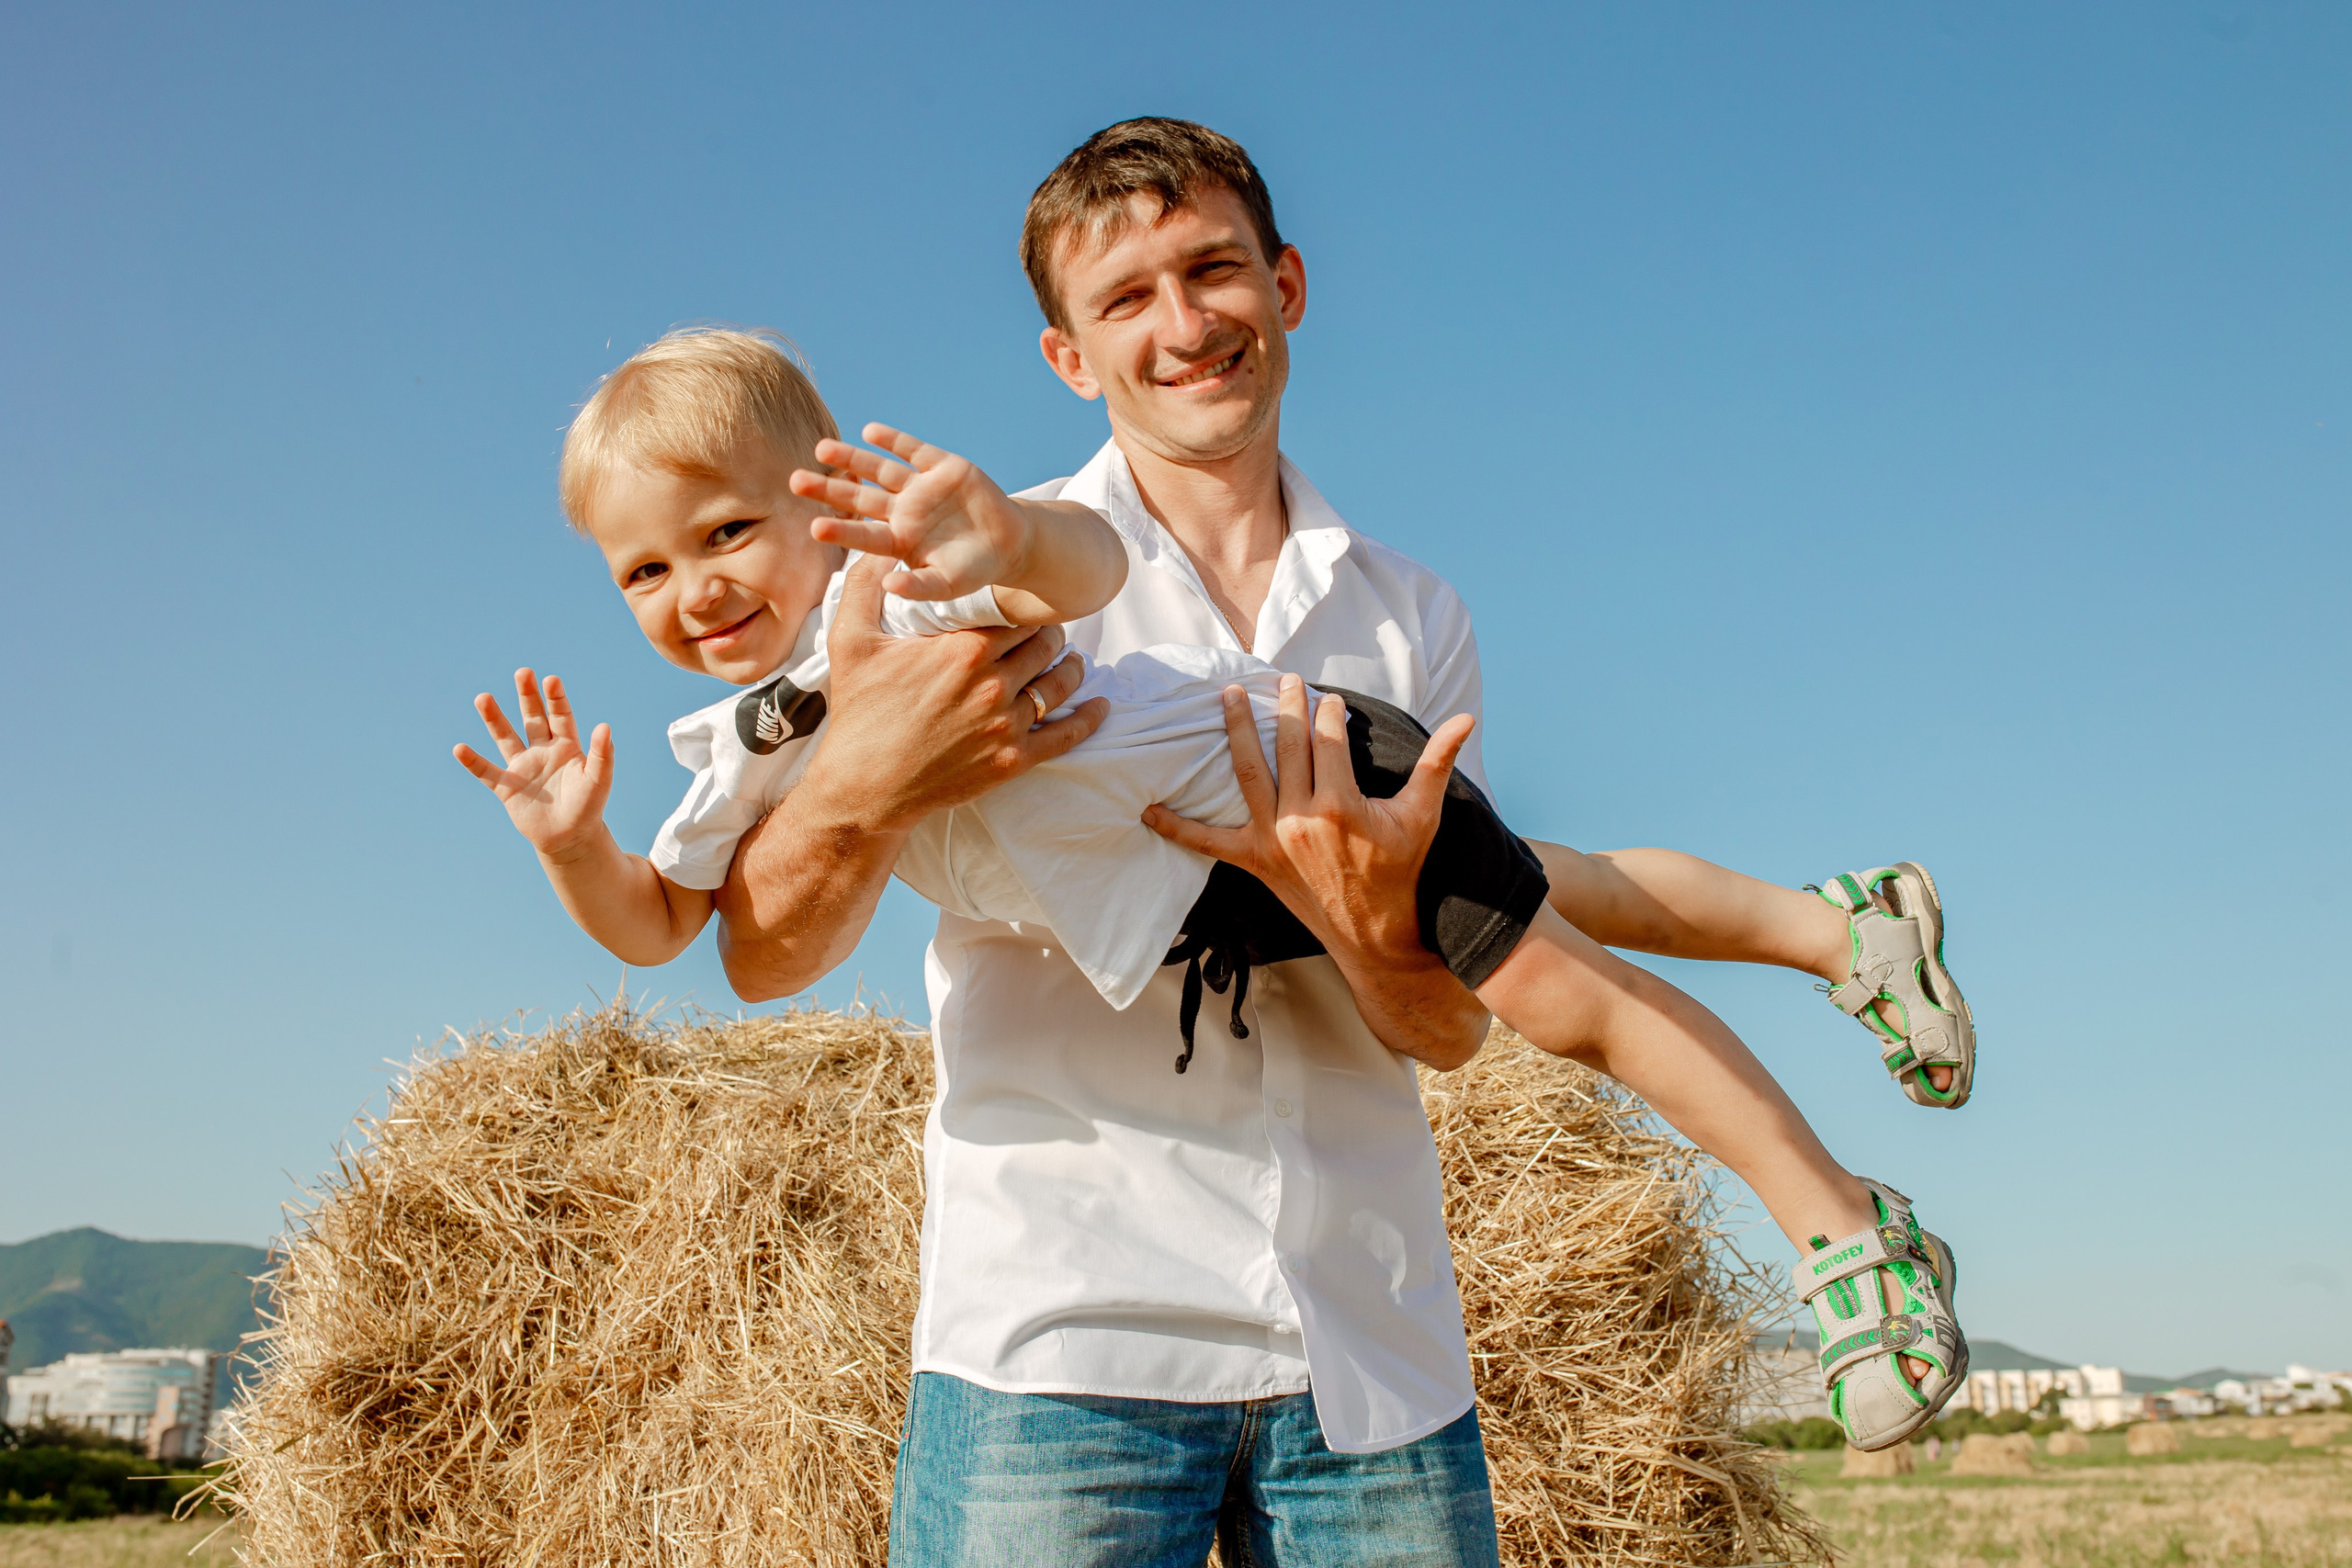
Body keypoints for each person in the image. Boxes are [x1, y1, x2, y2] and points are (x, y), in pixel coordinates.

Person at [469, 121, 1973, 1563]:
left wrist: (997, 546)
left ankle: (1837, 1224)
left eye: (728, 534)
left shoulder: (941, 574)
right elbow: (691, 929)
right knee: (1562, 893)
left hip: (1360, 1299)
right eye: (645, 571)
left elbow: (1085, 562)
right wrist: (568, 842)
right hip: (1066, 1325)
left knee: (1553, 982)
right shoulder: (748, 745)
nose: (697, 589)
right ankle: (1841, 930)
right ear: (1069, 353)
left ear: (1286, 286)